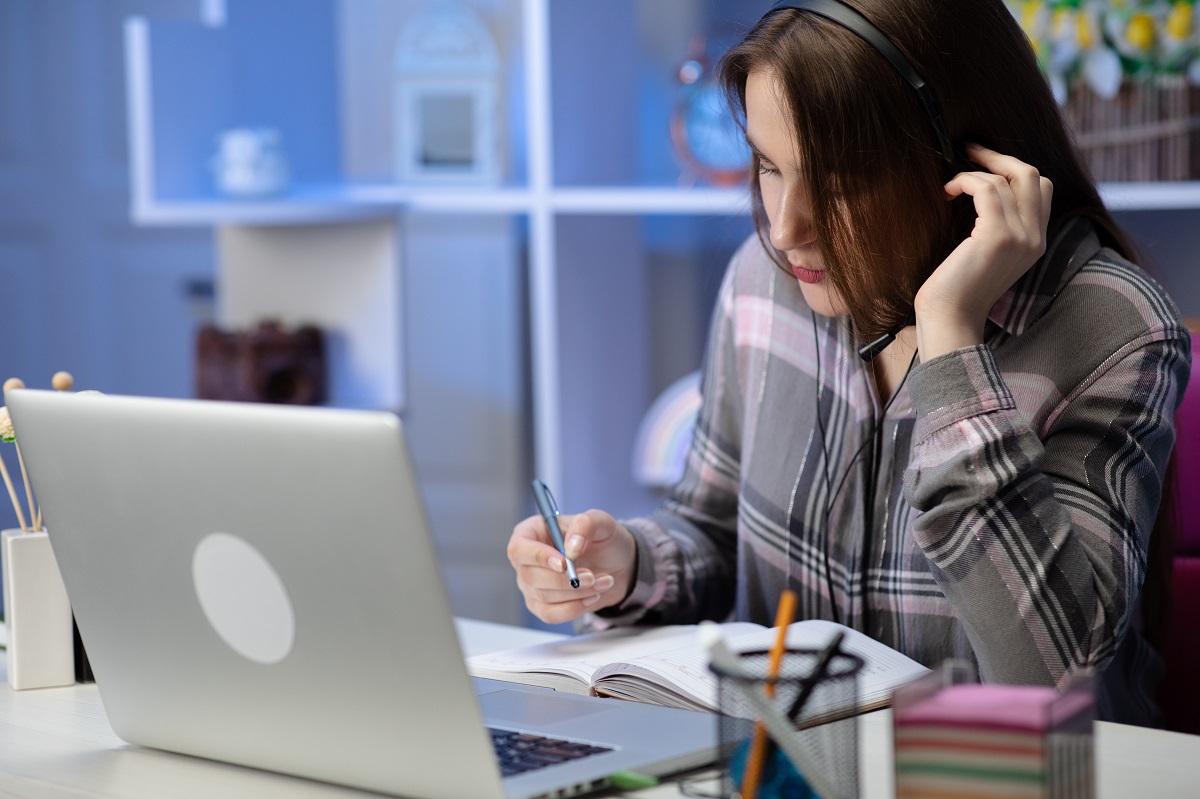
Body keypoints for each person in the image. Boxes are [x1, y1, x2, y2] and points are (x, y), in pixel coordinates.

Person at [507, 0, 1192, 726]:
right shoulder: (762, 281)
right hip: (792, 767)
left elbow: (1052, 675)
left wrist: (953, 344)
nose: (785, 226)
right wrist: (628, 565)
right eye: (770, 167)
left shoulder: (1115, 326)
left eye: (837, 183)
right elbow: (709, 530)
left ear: (970, 172)